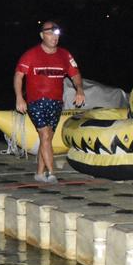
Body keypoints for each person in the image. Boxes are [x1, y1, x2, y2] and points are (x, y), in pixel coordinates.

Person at [14, 21, 85, 183]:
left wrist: (79, 89)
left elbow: (75, 75)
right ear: (42, 35)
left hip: (56, 103)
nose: (54, 37)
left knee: (46, 138)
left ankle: (39, 173)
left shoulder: (65, 55)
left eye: (57, 34)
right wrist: (19, 97)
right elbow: (19, 75)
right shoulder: (31, 54)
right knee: (45, 135)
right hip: (36, 101)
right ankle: (52, 173)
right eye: (50, 33)